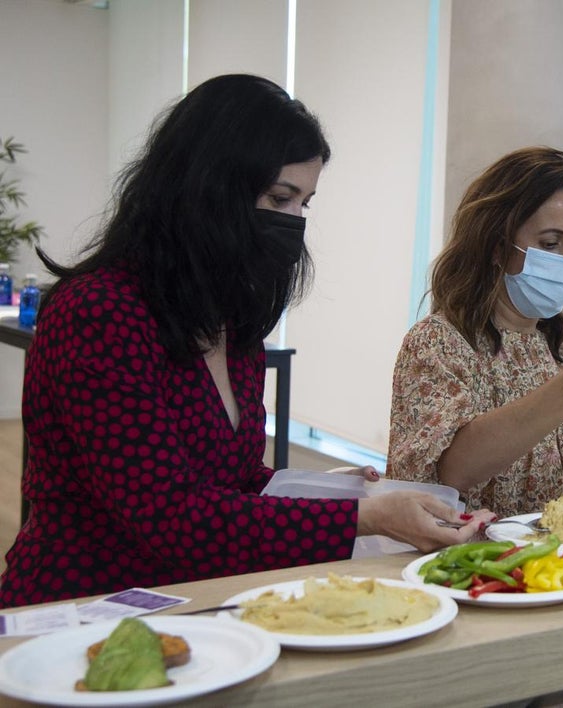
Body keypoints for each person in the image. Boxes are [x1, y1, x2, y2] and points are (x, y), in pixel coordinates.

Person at [0, 74, 493, 609]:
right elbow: (168, 516)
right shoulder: (98, 313)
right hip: (86, 607)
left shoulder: (231, 319)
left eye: (304, 204)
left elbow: (228, 480)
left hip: (196, 597)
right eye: (280, 198)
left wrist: (318, 489)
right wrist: (362, 516)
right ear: (207, 186)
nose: (294, 223)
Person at [386, 147, 563, 518]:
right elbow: (449, 472)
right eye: (549, 243)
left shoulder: (560, 346)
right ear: (497, 247)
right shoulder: (438, 343)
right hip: (476, 568)